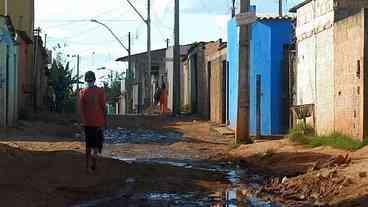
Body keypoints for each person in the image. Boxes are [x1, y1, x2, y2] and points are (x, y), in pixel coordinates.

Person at [79, 71, 107, 173]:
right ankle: (94, 157)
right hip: (98, 122)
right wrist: (105, 121)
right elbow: (104, 107)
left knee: (88, 145)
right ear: (94, 80)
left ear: (86, 80)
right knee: (97, 143)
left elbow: (81, 110)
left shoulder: (82, 92)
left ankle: (87, 167)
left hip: (87, 123)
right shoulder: (100, 91)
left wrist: (82, 122)